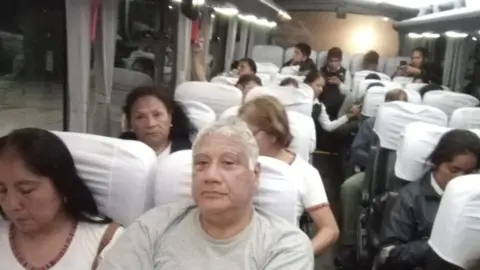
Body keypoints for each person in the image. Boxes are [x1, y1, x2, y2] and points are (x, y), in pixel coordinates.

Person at [97, 117, 314, 269]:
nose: (210, 175)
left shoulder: (286, 245)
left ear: (254, 175)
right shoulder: (153, 226)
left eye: (228, 163)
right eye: (201, 163)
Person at [0, 128, 123, 269]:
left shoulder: (106, 243)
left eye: (26, 190)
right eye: (1, 191)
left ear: (62, 185)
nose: (12, 204)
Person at [237, 96, 339, 255]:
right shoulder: (232, 163)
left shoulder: (305, 173)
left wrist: (297, 257)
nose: (241, 140)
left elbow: (329, 230)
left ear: (273, 134)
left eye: (249, 133)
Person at [379, 129, 480, 270]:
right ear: (436, 163)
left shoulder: (475, 199)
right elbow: (390, 254)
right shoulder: (410, 198)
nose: (460, 178)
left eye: (469, 172)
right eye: (453, 170)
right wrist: (436, 242)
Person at [336, 89, 409, 269]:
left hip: (406, 179)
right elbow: (357, 150)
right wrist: (377, 162)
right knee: (349, 188)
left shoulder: (416, 130)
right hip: (373, 172)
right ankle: (349, 243)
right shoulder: (371, 124)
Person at [119, 86, 196, 162]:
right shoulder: (119, 157)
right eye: (140, 117)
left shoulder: (189, 158)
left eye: (157, 115)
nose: (151, 124)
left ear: (170, 117)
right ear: (130, 123)